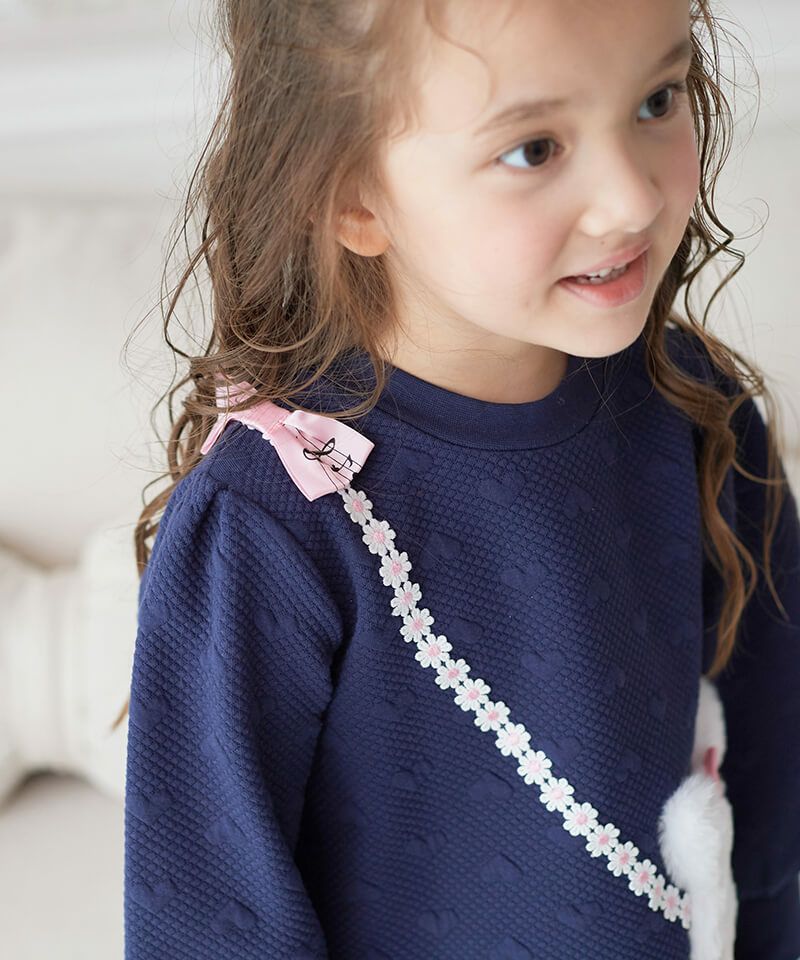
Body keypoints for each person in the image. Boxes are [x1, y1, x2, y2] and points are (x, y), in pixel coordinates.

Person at [120, 1, 800, 958]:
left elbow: (774, 788)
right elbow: (209, 921)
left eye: (657, 98)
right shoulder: (269, 519)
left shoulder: (693, 401)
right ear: (354, 197)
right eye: (534, 149)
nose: (632, 200)